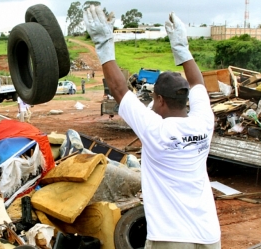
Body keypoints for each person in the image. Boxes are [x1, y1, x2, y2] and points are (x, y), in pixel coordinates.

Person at [84, 5, 221, 249]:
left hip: (171, 237)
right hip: (209, 235)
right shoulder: (203, 122)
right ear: (184, 100)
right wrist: (182, 48)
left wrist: (104, 43)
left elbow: (118, 89)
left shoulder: (156, 131)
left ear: (159, 100)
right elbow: (198, 83)